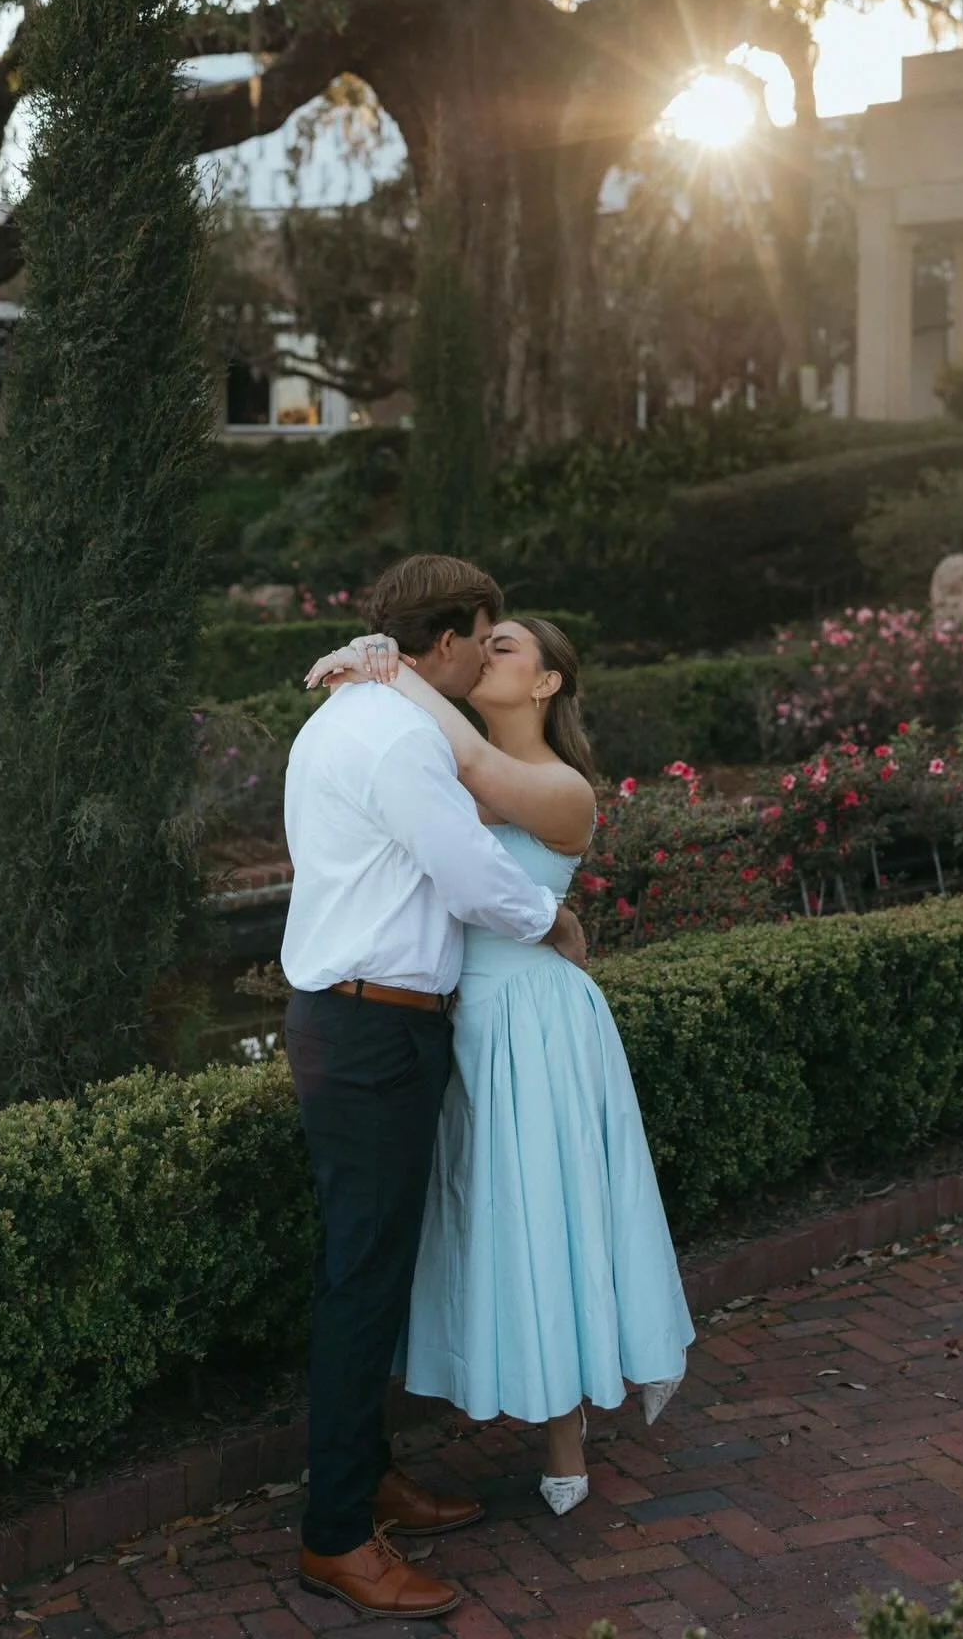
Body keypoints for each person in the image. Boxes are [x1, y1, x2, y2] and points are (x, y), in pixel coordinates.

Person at [305, 612, 693, 1519]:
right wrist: (380, 672)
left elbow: (478, 776)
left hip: (534, 1023)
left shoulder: (562, 789)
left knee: (541, 1213)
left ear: (549, 682)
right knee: (476, 1221)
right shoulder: (435, 754)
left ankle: (566, 1435)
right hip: (455, 1017)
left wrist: (387, 667)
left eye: (507, 646)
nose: (487, 654)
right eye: (484, 640)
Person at [281, 555, 591, 1621]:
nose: (486, 651)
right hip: (373, 1030)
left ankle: (370, 1479)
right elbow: (468, 873)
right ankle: (334, 1536)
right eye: (485, 635)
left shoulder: (346, 715)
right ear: (452, 639)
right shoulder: (397, 734)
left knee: (369, 1266)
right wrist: (551, 920)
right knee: (362, 1280)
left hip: (359, 1019)